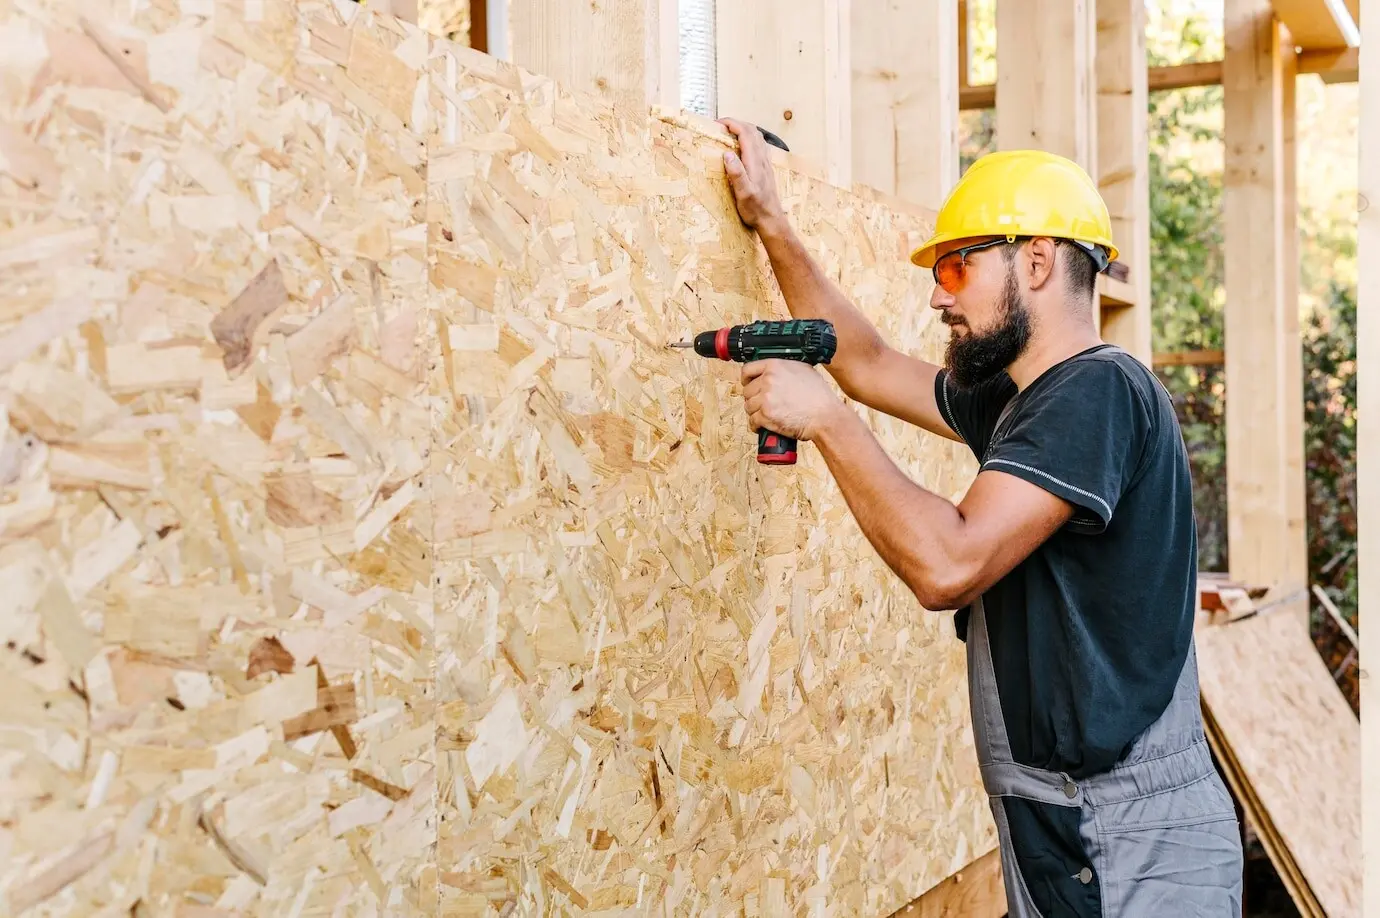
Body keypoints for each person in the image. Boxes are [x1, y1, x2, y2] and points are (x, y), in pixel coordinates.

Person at [716, 118, 1245, 917]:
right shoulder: (1024, 400)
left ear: (1036, 260)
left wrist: (823, 421)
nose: (938, 293)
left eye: (957, 268)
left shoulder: (1096, 392)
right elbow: (867, 363)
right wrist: (774, 224)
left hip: (1128, 833)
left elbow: (949, 565)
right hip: (1061, 822)